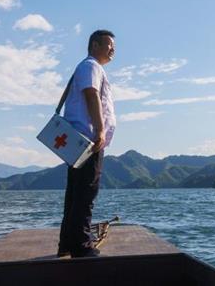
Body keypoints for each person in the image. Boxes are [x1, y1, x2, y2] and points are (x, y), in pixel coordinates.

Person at [57, 29, 117, 258]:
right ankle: (81, 246)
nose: (113, 50)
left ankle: (67, 243)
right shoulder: (91, 66)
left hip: (79, 139)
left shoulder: (87, 67)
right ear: (94, 45)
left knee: (75, 193)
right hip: (88, 139)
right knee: (86, 192)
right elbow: (91, 95)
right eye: (109, 45)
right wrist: (100, 130)